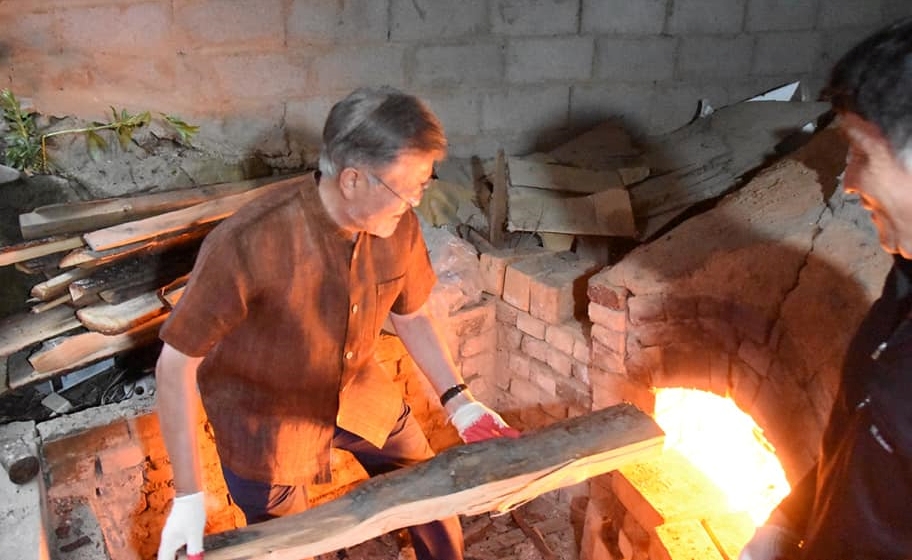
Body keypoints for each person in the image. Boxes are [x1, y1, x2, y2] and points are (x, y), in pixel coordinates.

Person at [154, 86, 520, 560]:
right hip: (265, 421)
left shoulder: (396, 224)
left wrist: (460, 401)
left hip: (355, 390)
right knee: (287, 546)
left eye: (423, 186)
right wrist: (188, 496)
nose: (414, 202)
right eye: (406, 188)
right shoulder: (247, 242)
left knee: (432, 496)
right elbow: (174, 365)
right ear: (351, 180)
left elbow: (411, 314)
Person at [739, 17, 912, 560]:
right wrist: (790, 518)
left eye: (862, 153)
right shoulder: (904, 278)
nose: (850, 181)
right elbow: (862, 433)